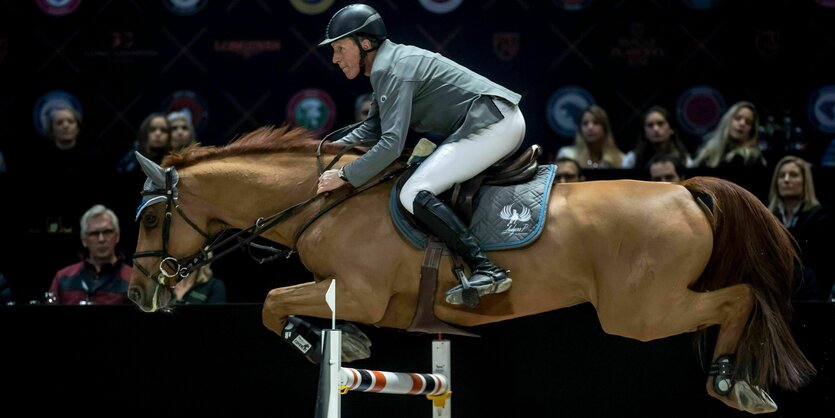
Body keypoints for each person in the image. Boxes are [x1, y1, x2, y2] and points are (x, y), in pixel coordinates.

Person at [315, 4, 526, 306]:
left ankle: (486, 268)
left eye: (339, 48)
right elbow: (370, 130)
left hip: (494, 124)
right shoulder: (386, 66)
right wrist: (321, 152)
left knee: (412, 191)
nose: (334, 58)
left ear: (365, 43)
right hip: (490, 121)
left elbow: (391, 145)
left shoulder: (391, 69)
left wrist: (345, 175)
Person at [767, 155, 833, 300]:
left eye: (793, 175)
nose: (786, 180)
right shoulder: (767, 218)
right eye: (781, 176)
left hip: (808, 291)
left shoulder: (821, 217)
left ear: (805, 182)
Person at [47, 204, 132, 305]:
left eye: (107, 232)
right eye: (94, 233)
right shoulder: (63, 278)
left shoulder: (133, 278)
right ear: (83, 239)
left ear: (117, 236)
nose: (101, 239)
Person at [694, 101, 767, 169]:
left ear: (751, 131)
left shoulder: (753, 159)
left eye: (748, 122)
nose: (742, 123)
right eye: (738, 118)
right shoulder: (707, 148)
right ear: (728, 120)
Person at [622, 106, 693, 170]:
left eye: (660, 123)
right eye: (650, 125)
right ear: (644, 132)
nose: (655, 129)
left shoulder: (684, 159)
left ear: (671, 128)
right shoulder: (632, 160)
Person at [556, 105, 625, 169]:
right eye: (585, 123)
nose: (590, 127)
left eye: (596, 122)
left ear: (605, 128)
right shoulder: (567, 155)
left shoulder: (620, 158)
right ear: (580, 130)